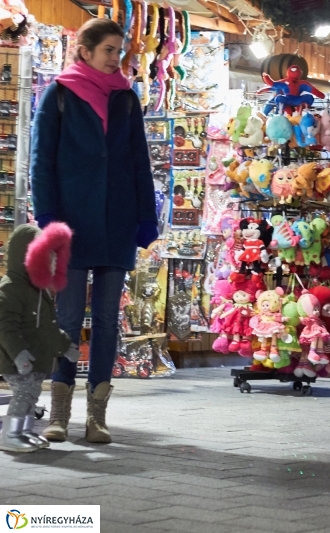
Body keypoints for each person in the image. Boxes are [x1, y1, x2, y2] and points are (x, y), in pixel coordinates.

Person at [30, 19, 158, 444]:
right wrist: (48, 219)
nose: (114, 57)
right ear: (84, 50)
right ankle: (60, 416)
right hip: (72, 224)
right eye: (107, 49)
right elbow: (40, 161)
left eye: (118, 50)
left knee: (107, 321)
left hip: (118, 221)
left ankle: (96, 418)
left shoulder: (126, 99)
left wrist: (145, 218)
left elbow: (141, 161)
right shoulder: (59, 94)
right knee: (66, 320)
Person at [0, 223, 81, 452]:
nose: (53, 263)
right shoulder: (11, 289)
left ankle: (24, 431)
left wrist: (65, 345)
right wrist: (18, 353)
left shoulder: (39, 291)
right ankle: (10, 434)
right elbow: (5, 327)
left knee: (31, 395)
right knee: (24, 394)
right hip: (18, 361)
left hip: (34, 361)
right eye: (49, 257)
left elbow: (48, 328)